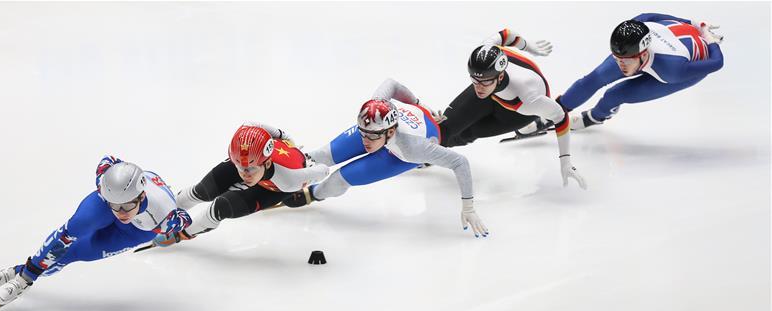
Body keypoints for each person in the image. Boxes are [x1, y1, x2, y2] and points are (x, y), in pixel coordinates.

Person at [0, 156, 191, 311]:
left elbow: (184, 221)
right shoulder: (107, 187)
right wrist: (30, 275)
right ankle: (25, 277)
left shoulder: (163, 215)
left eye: (126, 207)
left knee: (77, 253)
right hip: (116, 203)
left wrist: (173, 228)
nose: (120, 213)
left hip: (140, 229)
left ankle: (17, 272)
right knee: (73, 230)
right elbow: (108, 160)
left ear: (141, 196)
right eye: (115, 206)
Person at [288, 78, 490, 237]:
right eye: (362, 133)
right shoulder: (375, 114)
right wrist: (418, 103)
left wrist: (468, 207)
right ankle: (288, 167)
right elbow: (391, 84)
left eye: (371, 136)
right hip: (394, 127)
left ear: (390, 132)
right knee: (322, 155)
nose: (365, 141)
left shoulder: (413, 148)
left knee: (341, 178)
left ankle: (312, 194)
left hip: (400, 154)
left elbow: (460, 162)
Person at [436, 29, 586, 190]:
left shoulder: (528, 97)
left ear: (500, 76)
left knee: (467, 133)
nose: (478, 87)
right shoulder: (486, 54)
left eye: (484, 81)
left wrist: (565, 161)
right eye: (474, 79)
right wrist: (529, 47)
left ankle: (426, 156)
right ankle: (421, 152)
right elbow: (506, 34)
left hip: (517, 114)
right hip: (495, 94)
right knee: (445, 126)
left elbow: (560, 116)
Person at [150, 123, 329, 247]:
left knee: (221, 208)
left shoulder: (290, 180)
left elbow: (323, 171)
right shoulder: (246, 160)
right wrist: (281, 135)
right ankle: (164, 210)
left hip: (274, 188)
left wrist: (309, 167)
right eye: (239, 166)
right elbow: (249, 124)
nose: (244, 174)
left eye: (249, 169)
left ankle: (182, 234)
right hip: (263, 164)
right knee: (202, 191)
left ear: (266, 163)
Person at [557, 14, 724, 129]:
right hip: (665, 45)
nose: (620, 64)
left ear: (643, 54)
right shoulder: (636, 28)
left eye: (625, 60)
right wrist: (690, 21)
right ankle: (557, 109)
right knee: (596, 77)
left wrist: (709, 40)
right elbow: (650, 15)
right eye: (617, 58)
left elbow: (717, 63)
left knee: (615, 94)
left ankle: (595, 117)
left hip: (689, 65)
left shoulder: (673, 69)